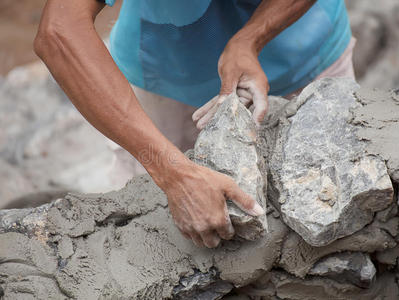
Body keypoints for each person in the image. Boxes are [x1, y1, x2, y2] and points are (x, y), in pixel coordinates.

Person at [34, 0, 355, 248]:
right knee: (150, 222)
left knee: (327, 214)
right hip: (165, 64)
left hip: (303, 47)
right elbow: (60, 31)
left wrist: (251, 39)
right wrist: (170, 170)